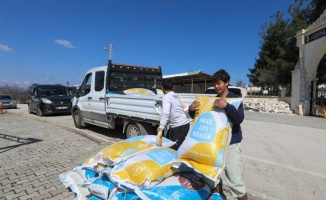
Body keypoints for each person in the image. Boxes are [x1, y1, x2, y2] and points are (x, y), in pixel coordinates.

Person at [188, 69, 248, 200]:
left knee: (235, 182)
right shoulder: (211, 100)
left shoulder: (235, 99)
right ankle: (217, 196)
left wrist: (227, 106)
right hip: (214, 146)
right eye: (214, 84)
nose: (216, 86)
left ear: (227, 82)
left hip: (231, 146)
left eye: (219, 83)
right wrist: (191, 110)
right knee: (212, 177)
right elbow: (201, 117)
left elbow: (238, 119)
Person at [157, 79, 190, 150]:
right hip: (182, 125)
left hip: (179, 127)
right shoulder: (175, 95)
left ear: (162, 88)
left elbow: (166, 113)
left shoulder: (166, 97)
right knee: (168, 143)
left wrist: (161, 126)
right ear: (172, 87)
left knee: (174, 149)